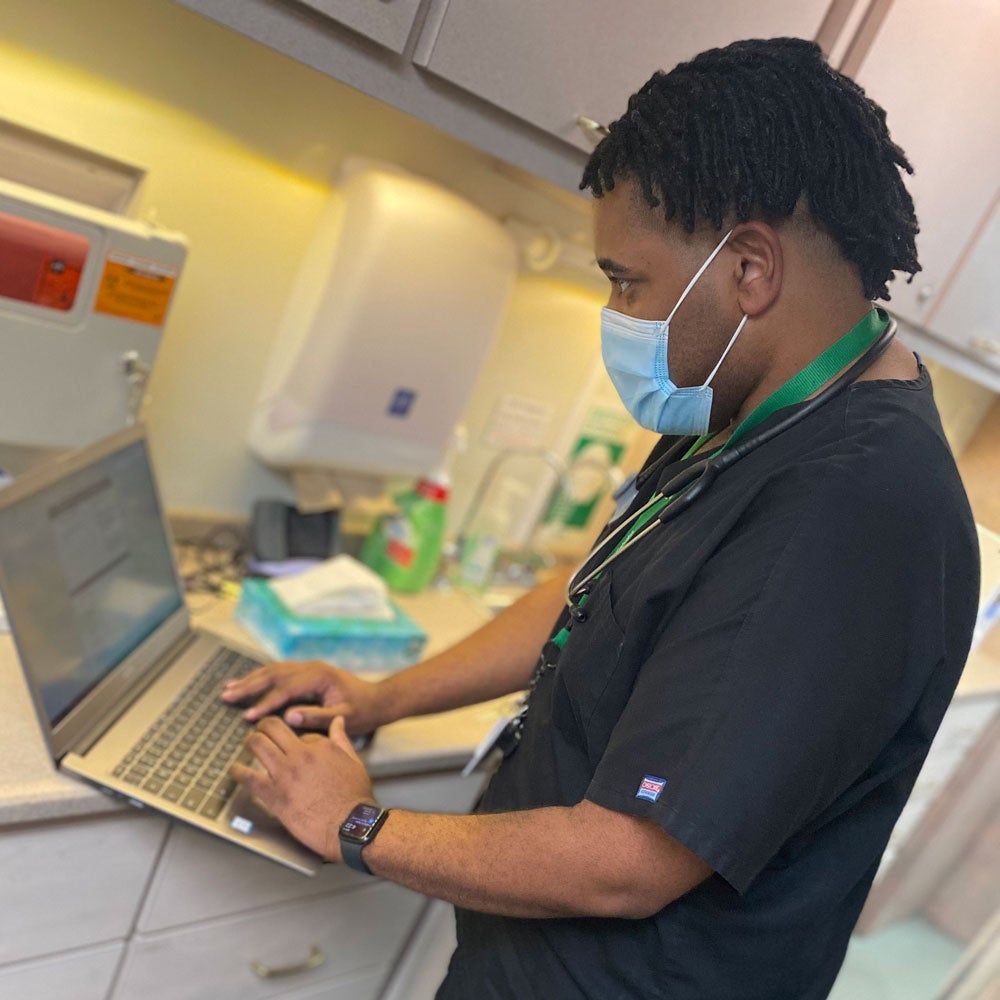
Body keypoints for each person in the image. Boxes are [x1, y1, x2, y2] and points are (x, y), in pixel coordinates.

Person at [223, 37, 981, 1000]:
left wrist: (356, 825)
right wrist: (382, 698)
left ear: (749, 268)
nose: (615, 309)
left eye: (627, 281)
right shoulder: (753, 405)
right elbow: (594, 594)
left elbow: (627, 860)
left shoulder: (859, 510)